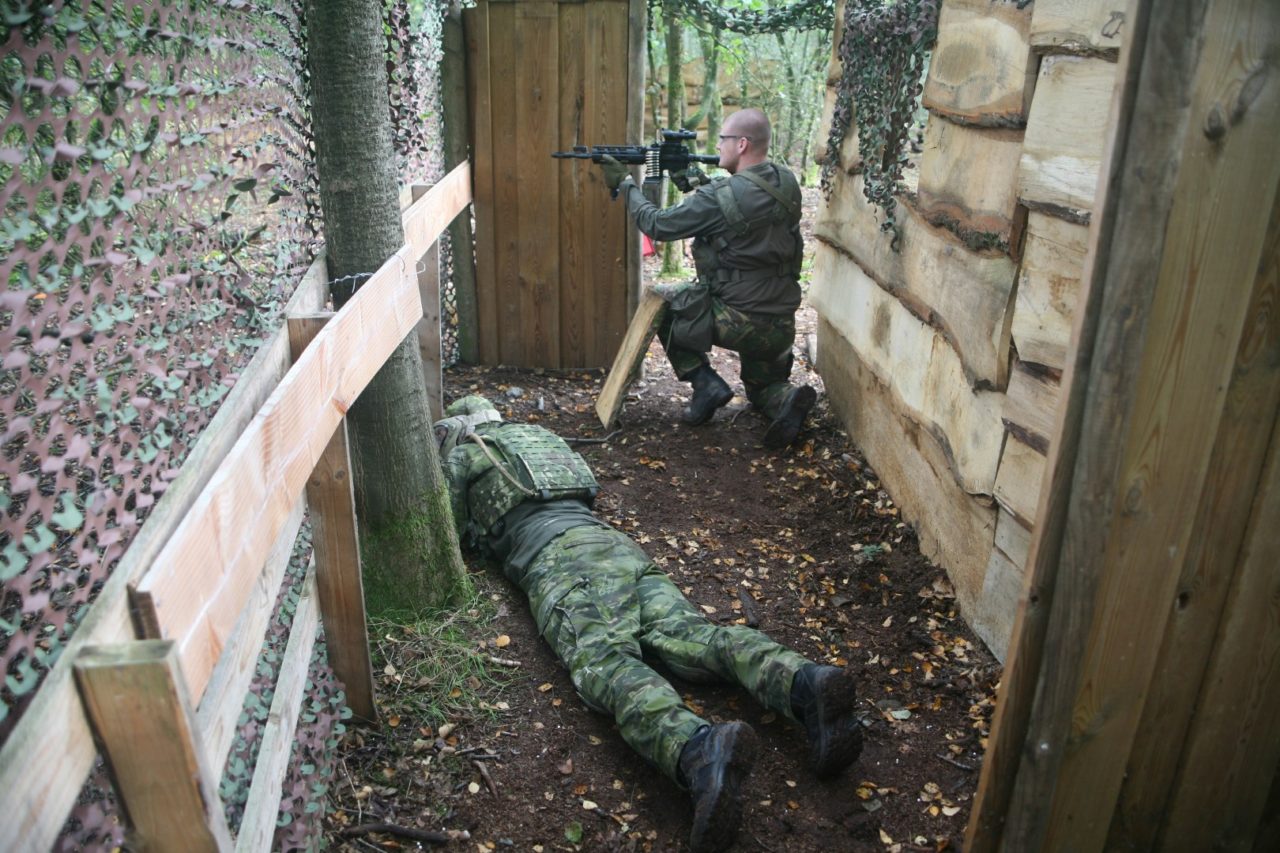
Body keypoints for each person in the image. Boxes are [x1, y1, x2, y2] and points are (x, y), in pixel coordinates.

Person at [434, 396, 863, 853]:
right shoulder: (541, 438)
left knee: (604, 661)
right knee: (692, 636)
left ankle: (696, 750)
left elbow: (450, 535)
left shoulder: (463, 455)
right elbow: (588, 491)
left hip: (559, 561)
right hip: (616, 546)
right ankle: (804, 682)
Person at [598, 108, 816, 449]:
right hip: (780, 324)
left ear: (741, 144)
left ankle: (705, 384)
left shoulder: (716, 198)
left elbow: (658, 224)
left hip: (738, 321)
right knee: (762, 390)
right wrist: (692, 177)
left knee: (666, 307)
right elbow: (740, 200)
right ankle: (786, 399)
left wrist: (626, 185)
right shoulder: (786, 182)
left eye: (723, 139)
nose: (718, 145)